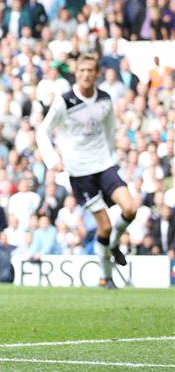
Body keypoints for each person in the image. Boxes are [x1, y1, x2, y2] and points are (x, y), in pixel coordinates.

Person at [36, 53, 139, 289]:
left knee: (130, 208)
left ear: (96, 73)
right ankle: (106, 277)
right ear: (77, 73)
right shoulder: (65, 102)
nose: (85, 74)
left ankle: (112, 244)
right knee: (105, 225)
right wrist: (52, 159)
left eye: (89, 70)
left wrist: (112, 153)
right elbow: (42, 132)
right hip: (80, 172)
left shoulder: (104, 99)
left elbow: (110, 128)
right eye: (81, 71)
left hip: (103, 164)